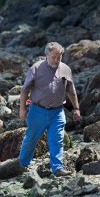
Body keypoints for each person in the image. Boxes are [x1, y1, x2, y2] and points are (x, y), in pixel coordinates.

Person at [19, 42, 80, 177]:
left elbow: (71, 91)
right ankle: (22, 164)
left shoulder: (65, 69)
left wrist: (76, 108)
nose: (56, 60)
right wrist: (22, 109)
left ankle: (57, 168)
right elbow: (24, 90)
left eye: (59, 57)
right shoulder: (35, 68)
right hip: (37, 111)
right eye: (53, 57)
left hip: (57, 112)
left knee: (57, 139)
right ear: (46, 55)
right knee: (31, 139)